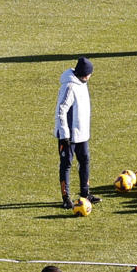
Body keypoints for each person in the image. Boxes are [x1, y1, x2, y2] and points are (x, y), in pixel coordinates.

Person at [54, 56, 94, 208]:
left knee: (85, 161)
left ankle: (85, 193)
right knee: (66, 165)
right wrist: (64, 134)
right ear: (84, 74)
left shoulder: (82, 84)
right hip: (69, 136)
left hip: (82, 134)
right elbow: (61, 110)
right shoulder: (69, 86)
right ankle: (66, 199)